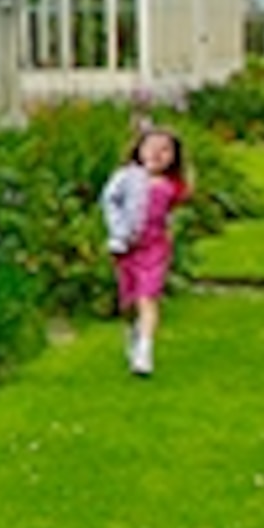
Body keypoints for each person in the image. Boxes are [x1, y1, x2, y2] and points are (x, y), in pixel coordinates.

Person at [101, 125, 192, 377]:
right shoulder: (126, 178)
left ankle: (145, 349)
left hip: (155, 247)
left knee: (148, 296)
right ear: (139, 150)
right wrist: (117, 233)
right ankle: (133, 332)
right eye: (152, 148)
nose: (157, 154)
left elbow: (170, 209)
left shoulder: (171, 185)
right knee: (129, 300)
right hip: (127, 246)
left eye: (165, 150)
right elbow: (110, 201)